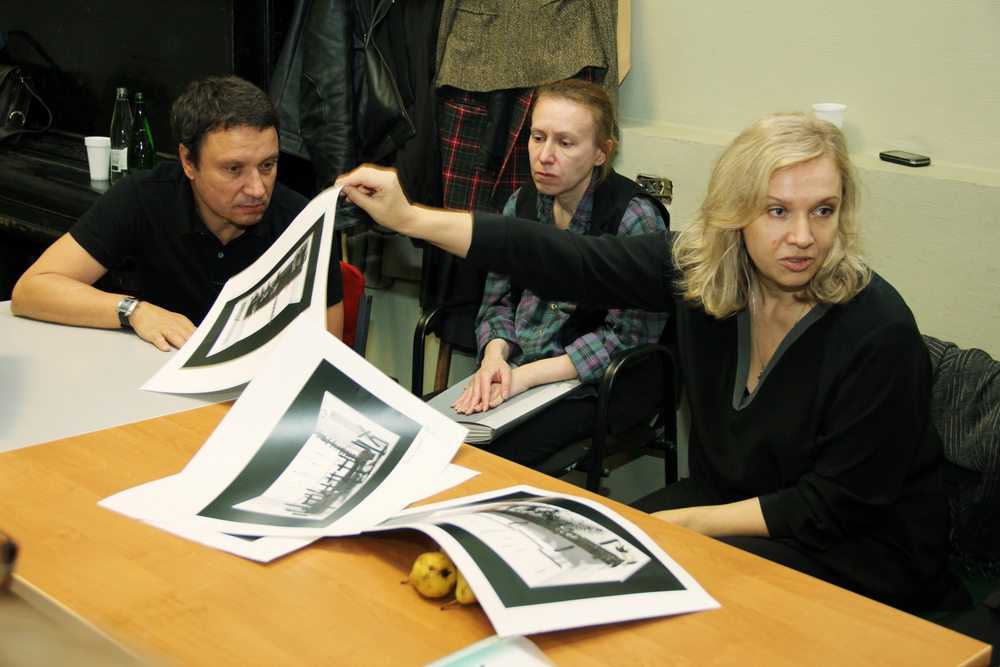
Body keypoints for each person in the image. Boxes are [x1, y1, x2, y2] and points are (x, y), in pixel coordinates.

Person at [333, 112, 970, 613]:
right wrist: (411, 218)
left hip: (862, 555)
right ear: (734, 213)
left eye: (822, 211)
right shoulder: (700, 272)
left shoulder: (877, 332)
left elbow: (831, 506)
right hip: (733, 505)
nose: (803, 236)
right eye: (777, 210)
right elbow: (568, 260)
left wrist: (681, 523)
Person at [11, 76, 344, 351]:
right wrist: (134, 311)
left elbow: (326, 352)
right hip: (159, 375)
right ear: (188, 161)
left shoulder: (303, 221)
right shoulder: (143, 197)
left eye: (267, 165)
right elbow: (31, 290)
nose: (257, 189)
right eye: (233, 169)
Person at [452, 79, 669, 468]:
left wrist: (527, 376)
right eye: (538, 138)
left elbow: (627, 339)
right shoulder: (521, 203)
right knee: (434, 439)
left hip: (597, 386)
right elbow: (497, 302)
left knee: (490, 463)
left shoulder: (633, 217)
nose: (544, 156)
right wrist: (494, 358)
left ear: (602, 152)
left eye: (565, 143)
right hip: (520, 370)